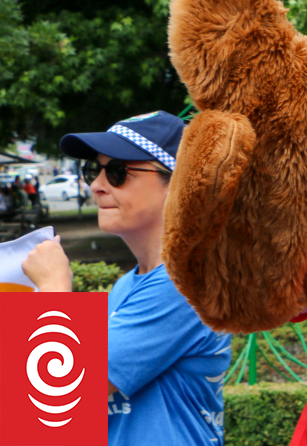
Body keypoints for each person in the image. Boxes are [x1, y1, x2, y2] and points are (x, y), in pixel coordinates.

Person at [21, 111, 231, 445]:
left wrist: (53, 288)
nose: (96, 185)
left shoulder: (186, 284)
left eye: (118, 172)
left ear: (177, 185)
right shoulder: (128, 285)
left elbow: (57, 392)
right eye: (94, 169)